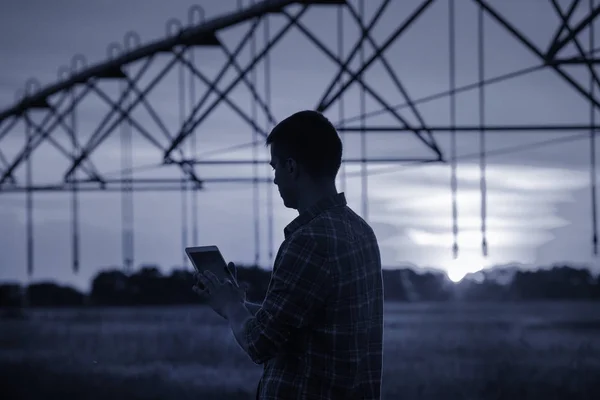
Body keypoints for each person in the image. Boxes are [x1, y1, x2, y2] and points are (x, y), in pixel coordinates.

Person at [193, 110, 384, 400]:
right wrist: (237, 302)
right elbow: (297, 321)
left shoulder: (307, 241)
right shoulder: (361, 232)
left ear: (292, 167)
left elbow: (259, 343)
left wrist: (232, 308)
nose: (274, 180)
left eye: (275, 167)